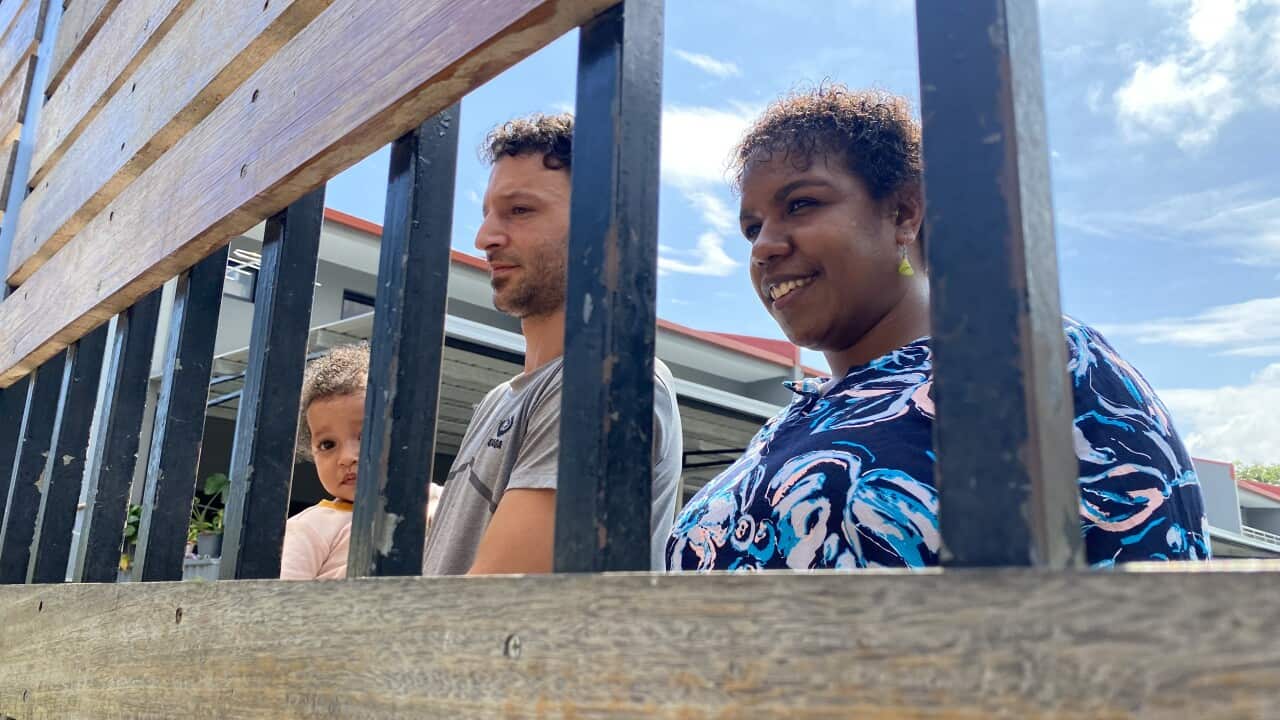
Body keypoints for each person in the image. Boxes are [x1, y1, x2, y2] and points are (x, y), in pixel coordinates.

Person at [667, 86, 1210, 571]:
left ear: (905, 213)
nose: (763, 246)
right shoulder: (784, 428)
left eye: (801, 204)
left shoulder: (1035, 360)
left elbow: (1168, 601)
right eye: (752, 227)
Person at [422, 113, 684, 575]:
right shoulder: (499, 400)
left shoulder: (610, 375)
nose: (485, 238)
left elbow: (493, 612)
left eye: (520, 211)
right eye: (486, 214)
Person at [281, 343, 442, 580]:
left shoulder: (434, 501)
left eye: (367, 436)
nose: (346, 458)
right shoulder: (310, 528)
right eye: (327, 444)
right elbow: (278, 601)